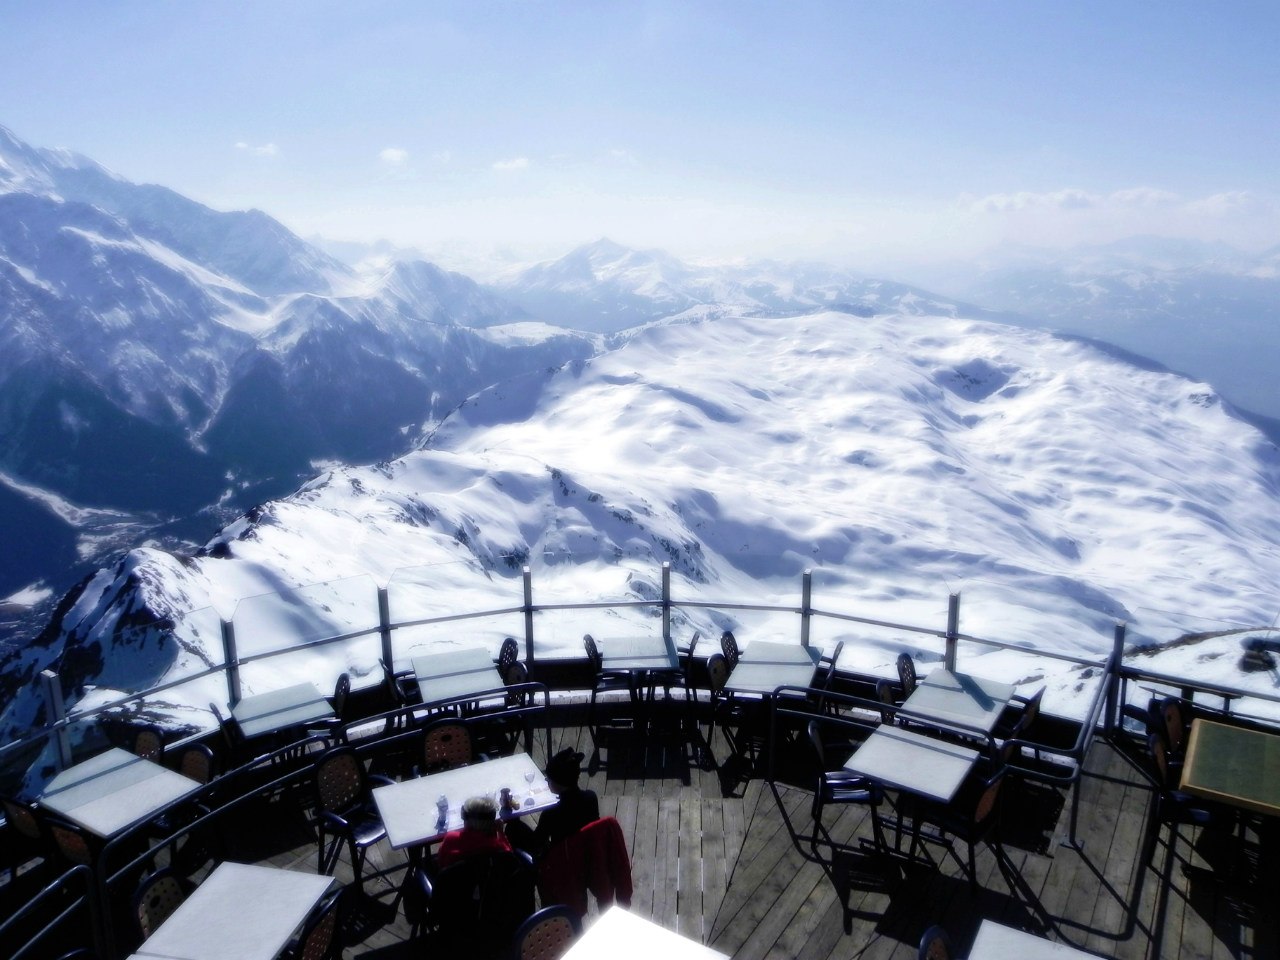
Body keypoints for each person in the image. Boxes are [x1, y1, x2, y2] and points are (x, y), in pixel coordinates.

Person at [506, 748, 599, 857]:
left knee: (512, 829)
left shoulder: (552, 812)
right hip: (585, 855)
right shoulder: (591, 798)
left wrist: (513, 820)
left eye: (549, 779)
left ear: (558, 783)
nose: (547, 782)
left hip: (561, 861)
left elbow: (536, 843)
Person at [436, 795, 514, 869]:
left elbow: (441, 863)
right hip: (486, 880)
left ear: (465, 817)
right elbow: (509, 857)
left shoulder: (452, 839)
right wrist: (500, 833)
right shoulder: (495, 844)